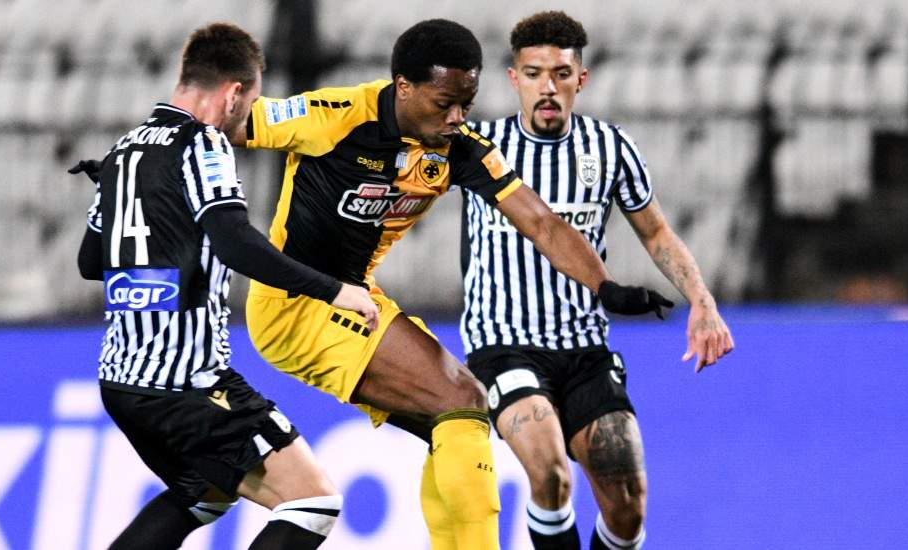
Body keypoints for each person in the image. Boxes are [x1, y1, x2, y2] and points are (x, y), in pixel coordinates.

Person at [231, 19, 672, 550]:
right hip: (297, 304)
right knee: (460, 397)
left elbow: (542, 222)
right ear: (404, 87)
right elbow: (226, 121)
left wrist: (605, 287)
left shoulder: (459, 148)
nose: (457, 118)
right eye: (445, 103)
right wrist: (160, 175)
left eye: (466, 103)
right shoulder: (336, 116)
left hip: (354, 299)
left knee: (454, 427)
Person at [71, 23, 382, 549]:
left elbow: (88, 261)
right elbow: (236, 243)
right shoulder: (203, 142)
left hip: (122, 383)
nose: (245, 118)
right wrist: (334, 290)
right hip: (186, 382)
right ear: (234, 93)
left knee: (203, 492)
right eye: (251, 102)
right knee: (312, 502)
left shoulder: (123, 154)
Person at [459, 11, 736, 550]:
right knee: (550, 474)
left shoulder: (609, 148)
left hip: (585, 349)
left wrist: (701, 300)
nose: (547, 87)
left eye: (560, 74)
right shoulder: (478, 146)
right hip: (503, 346)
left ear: (580, 79)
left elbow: (656, 232)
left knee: (628, 506)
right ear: (514, 78)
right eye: (534, 73)